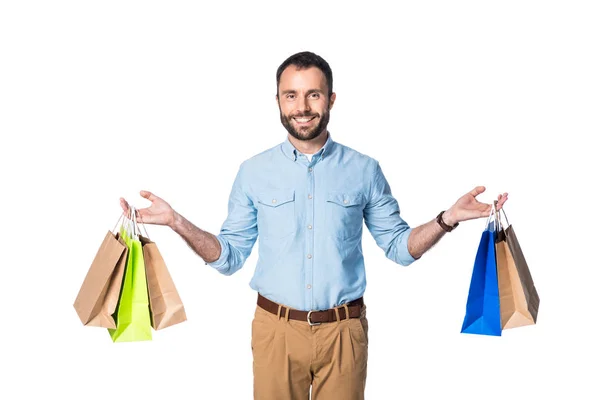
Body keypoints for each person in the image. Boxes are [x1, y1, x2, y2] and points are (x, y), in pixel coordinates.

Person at [120, 51, 508, 400]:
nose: (302, 107)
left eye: (313, 95)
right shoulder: (253, 172)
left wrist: (448, 219)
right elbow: (229, 258)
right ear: (277, 100)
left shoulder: (363, 169)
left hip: (344, 333)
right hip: (275, 331)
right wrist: (175, 222)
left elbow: (399, 248)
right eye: (291, 95)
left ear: (331, 99)